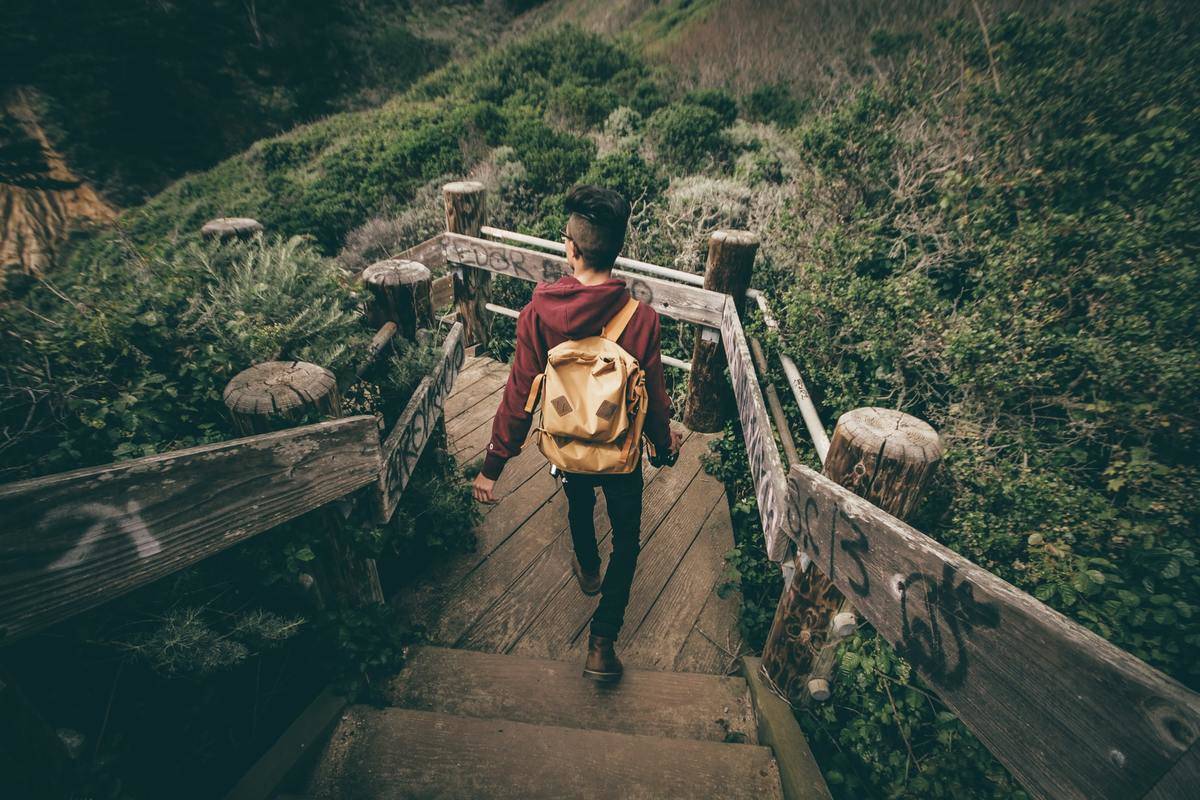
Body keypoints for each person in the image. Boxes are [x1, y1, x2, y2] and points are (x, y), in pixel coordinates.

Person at [472, 184, 681, 682]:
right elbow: (651, 392)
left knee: (578, 499)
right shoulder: (642, 317)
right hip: (622, 451)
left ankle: (587, 565)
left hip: (566, 447)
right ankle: (602, 643)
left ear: (572, 248)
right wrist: (663, 444)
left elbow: (519, 395)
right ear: (615, 250)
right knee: (627, 541)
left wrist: (493, 466)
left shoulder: (537, 314)